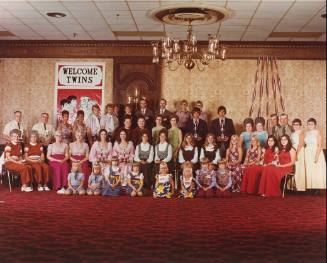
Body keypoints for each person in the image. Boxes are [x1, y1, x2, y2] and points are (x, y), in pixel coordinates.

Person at [304, 118, 326, 195]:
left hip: (315, 152)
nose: (310, 125)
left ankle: (316, 189)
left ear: (315, 125)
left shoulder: (318, 133)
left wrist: (316, 157)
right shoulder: (306, 133)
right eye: (308, 124)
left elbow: (320, 146)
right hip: (307, 152)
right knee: (309, 170)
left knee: (315, 171)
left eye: (312, 124)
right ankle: (311, 188)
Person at [290, 119, 306, 192]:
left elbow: (301, 144)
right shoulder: (292, 133)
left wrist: (296, 154)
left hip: (299, 151)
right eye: (294, 124)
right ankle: (292, 186)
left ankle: (300, 187)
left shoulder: (301, 133)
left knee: (299, 168)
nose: (295, 126)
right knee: (293, 168)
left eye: (297, 124)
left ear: (300, 125)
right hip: (293, 150)